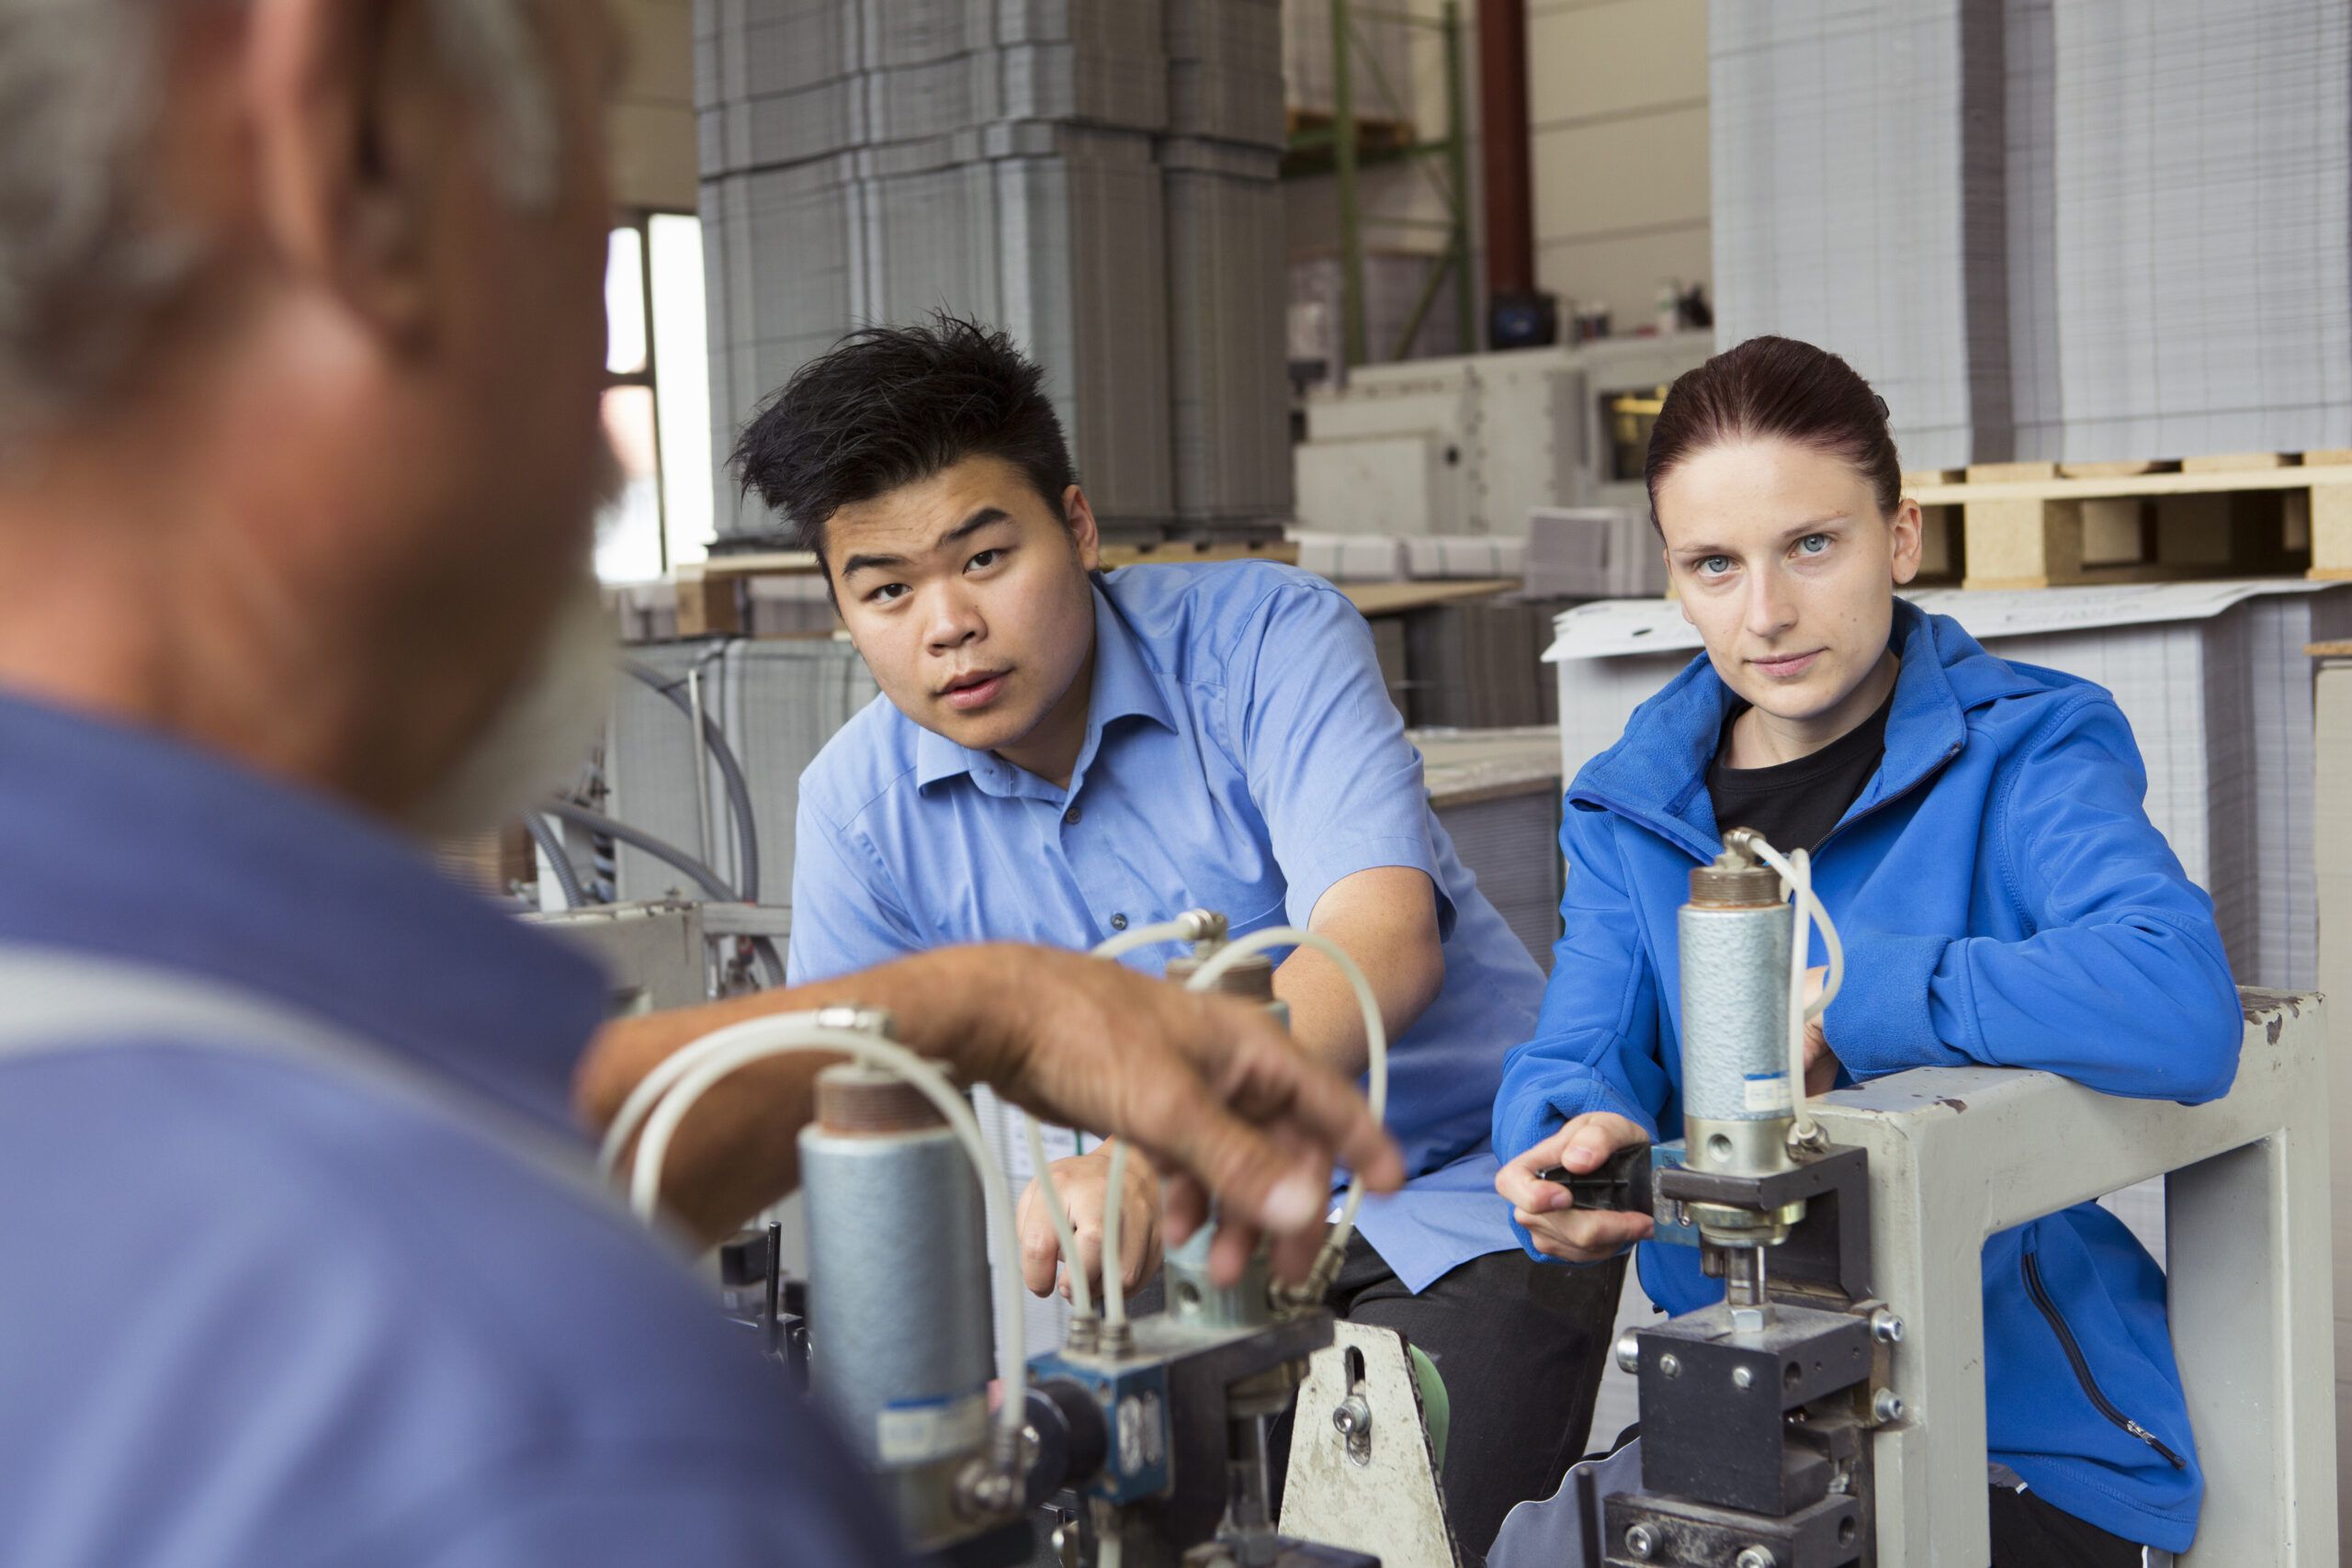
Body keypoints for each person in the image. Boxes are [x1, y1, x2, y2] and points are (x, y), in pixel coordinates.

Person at [0, 4, 1401, 1562]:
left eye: (987, 559)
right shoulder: (548, 1433)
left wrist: (976, 1005)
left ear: (1076, 523)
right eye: (586, 181)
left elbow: (464, 1122)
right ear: (355, 151)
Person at [729, 312, 1627, 1555]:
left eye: (984, 559)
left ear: (1079, 527)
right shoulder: (859, 810)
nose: (945, 626)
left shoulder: (1268, 641)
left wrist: (1157, 1149)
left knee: (1370, 1543)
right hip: (1195, 1266)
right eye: (886, 591)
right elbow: (861, 1106)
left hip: (1468, 1192)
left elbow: (1381, 941)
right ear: (844, 612)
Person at [1491, 336, 2243, 1565]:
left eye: (1813, 546)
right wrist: (1568, 1141)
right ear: (1675, 580)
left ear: (1901, 537)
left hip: (2023, 1434)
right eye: (1715, 565)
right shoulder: (1632, 804)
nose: (1766, 613)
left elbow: (2179, 1001)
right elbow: (1580, 1048)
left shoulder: (2027, 747)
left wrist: (1863, 1001)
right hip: (1742, 1410)